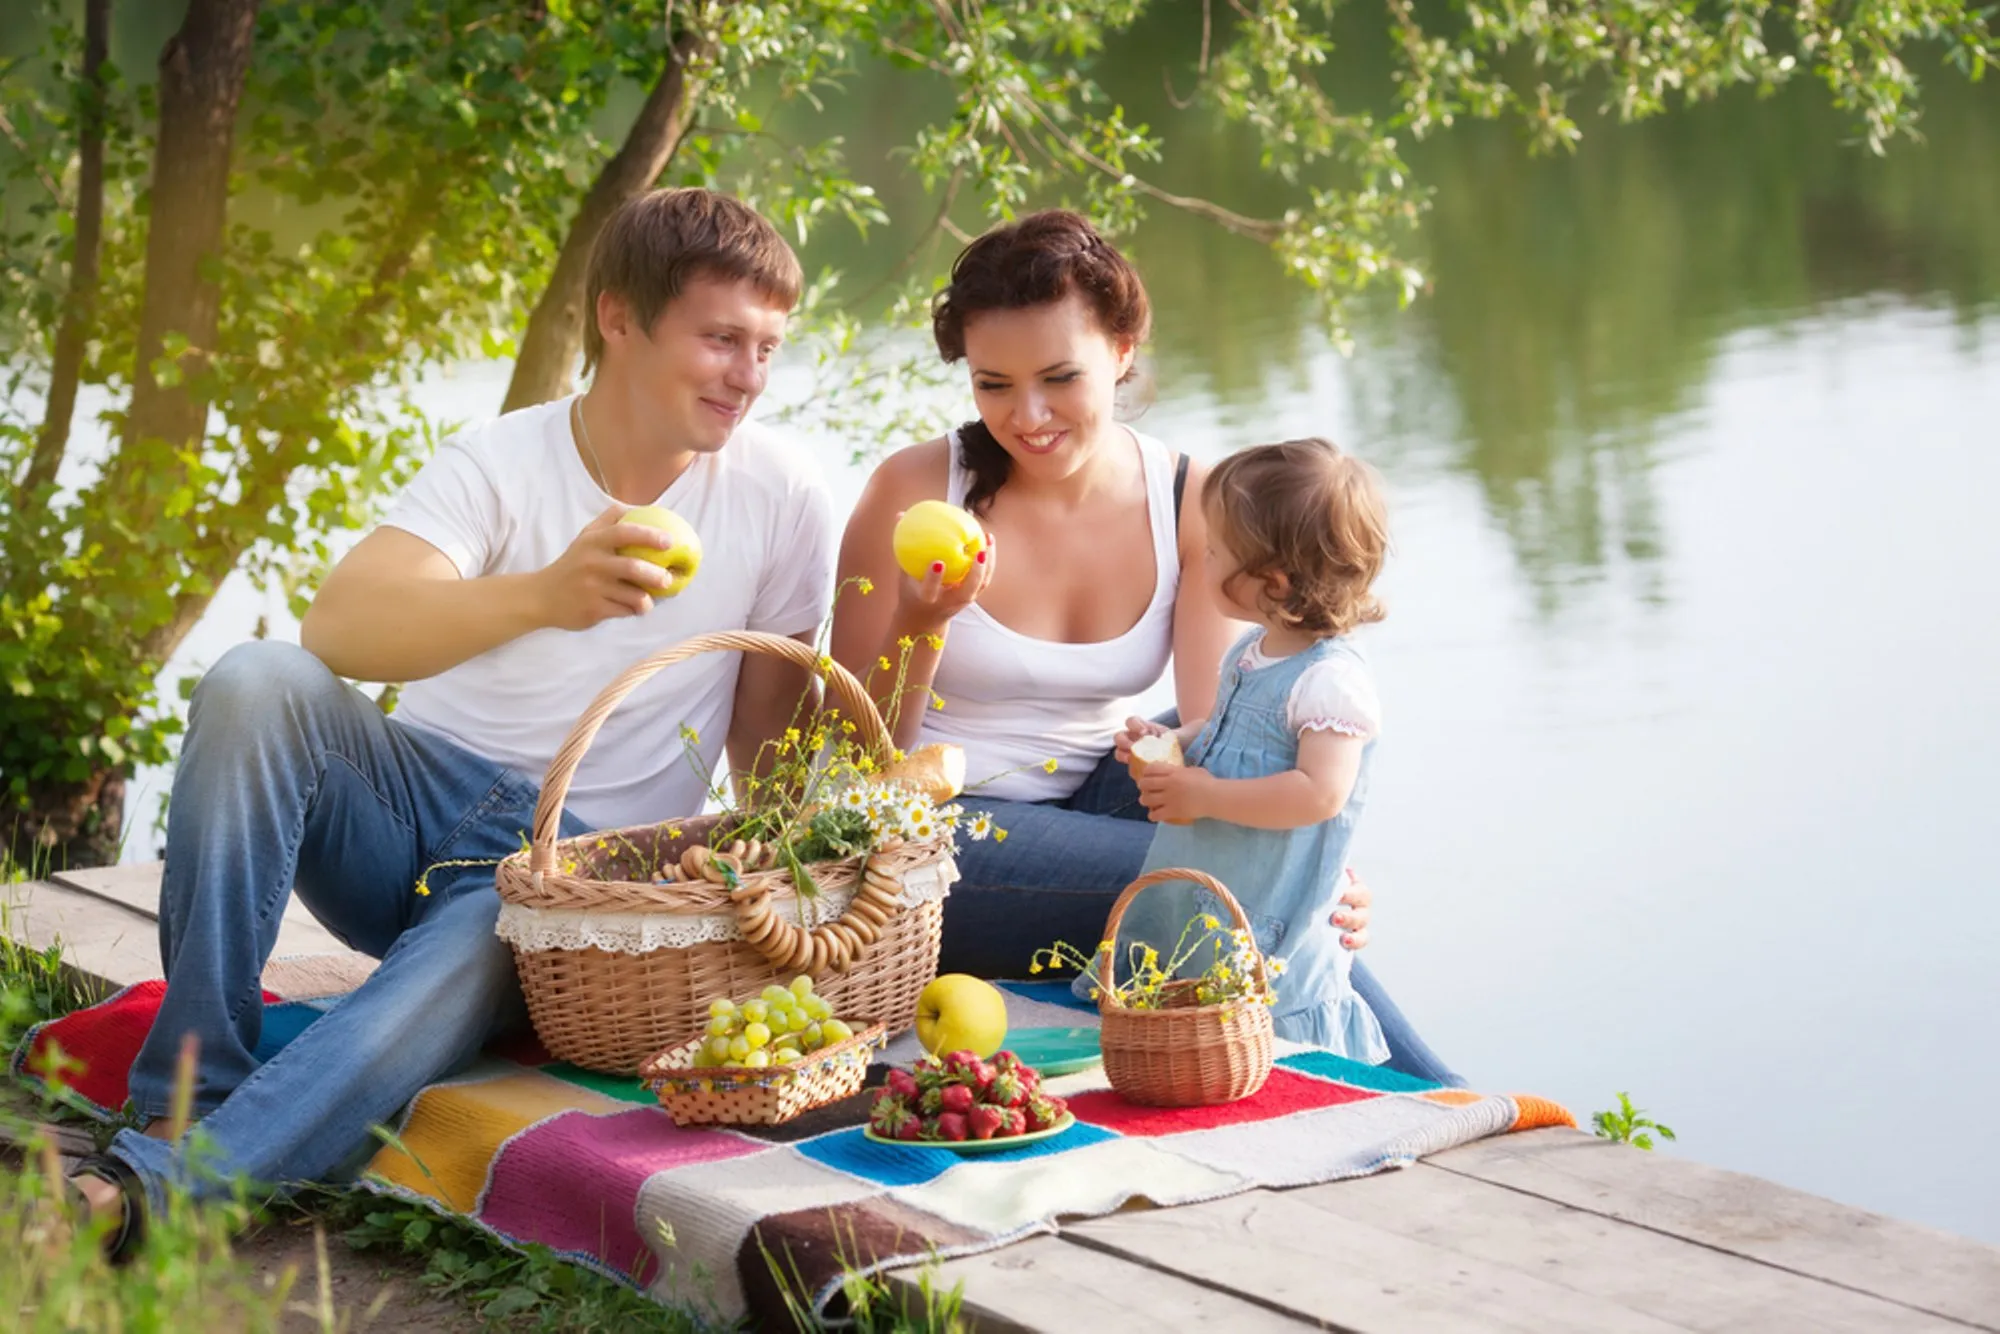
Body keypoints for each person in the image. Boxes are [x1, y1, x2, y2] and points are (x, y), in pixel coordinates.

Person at [58, 188, 837, 1254]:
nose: (748, 376)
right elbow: (340, 627)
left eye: (765, 347)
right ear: (618, 318)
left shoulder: (782, 493)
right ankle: (186, 1085)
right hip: (405, 808)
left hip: (569, 878)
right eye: (720, 339)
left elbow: (763, 741)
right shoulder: (500, 462)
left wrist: (778, 900)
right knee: (254, 677)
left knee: (404, 1007)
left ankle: (156, 1192)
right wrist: (547, 592)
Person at [830, 210, 1460, 1084]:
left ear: (1123, 348)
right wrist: (923, 624)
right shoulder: (914, 490)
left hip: (1102, 793)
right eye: (994, 385)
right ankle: (1441, 1098)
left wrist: (1313, 857)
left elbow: (1223, 729)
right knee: (1219, 885)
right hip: (942, 837)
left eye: (1059, 377)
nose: (1029, 415)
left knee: (1283, 715)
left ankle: (1446, 1101)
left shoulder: (1187, 495)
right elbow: (852, 760)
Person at [1106, 438, 1391, 1058]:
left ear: (1272, 580)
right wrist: (1177, 742)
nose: (1200, 561)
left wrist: (1206, 795)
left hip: (1271, 896)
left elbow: (1320, 792)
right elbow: (1229, 733)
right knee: (1199, 988)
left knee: (1269, 1025)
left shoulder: (1330, 681)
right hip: (1217, 873)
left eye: (1213, 552)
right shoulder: (1254, 650)